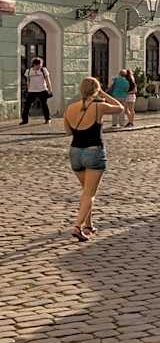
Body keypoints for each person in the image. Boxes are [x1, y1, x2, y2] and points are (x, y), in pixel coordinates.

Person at [63, 78, 125, 241]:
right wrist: (104, 94)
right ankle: (77, 226)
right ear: (96, 90)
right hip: (94, 152)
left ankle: (88, 225)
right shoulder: (99, 106)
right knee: (89, 193)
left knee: (86, 192)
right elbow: (120, 108)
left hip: (75, 152)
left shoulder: (70, 108)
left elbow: (68, 132)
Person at [21, 57, 52, 125]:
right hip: (32, 91)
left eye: (41, 64)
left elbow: (47, 80)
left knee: (44, 105)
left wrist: (50, 90)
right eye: (39, 65)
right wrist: (28, 89)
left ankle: (48, 119)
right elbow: (28, 81)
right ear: (35, 64)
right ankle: (25, 120)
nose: (40, 66)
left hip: (42, 90)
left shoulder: (44, 70)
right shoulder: (28, 71)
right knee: (27, 105)